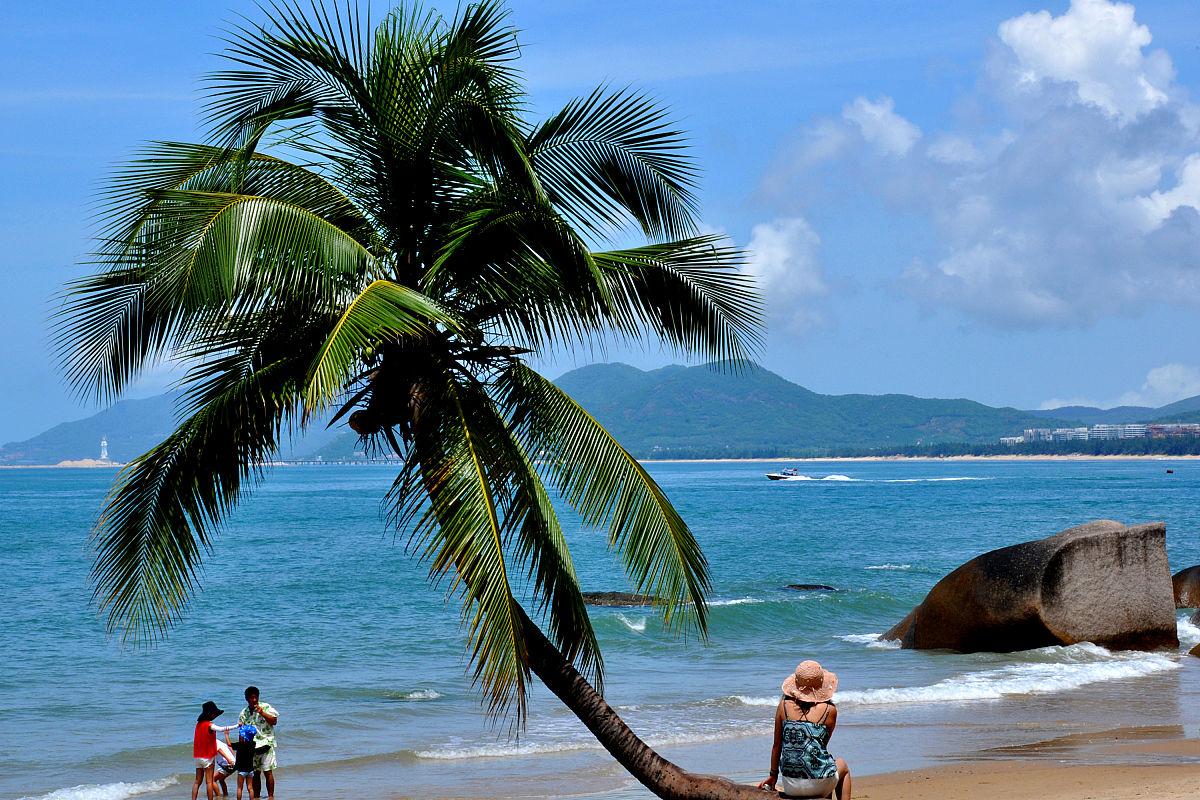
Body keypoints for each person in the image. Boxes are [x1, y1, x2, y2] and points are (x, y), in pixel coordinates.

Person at [758, 661, 852, 800]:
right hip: (819, 783)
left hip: (791, 785)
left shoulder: (783, 706)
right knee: (842, 764)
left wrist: (773, 776)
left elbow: (777, 745)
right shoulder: (829, 710)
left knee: (827, 767)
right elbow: (821, 747)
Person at [237, 686, 279, 799]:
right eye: (251, 698)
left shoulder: (265, 707)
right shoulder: (243, 713)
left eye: (256, 697)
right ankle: (256, 797)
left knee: (268, 771)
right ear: (246, 698)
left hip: (266, 744)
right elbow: (242, 732)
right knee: (255, 773)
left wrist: (262, 713)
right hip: (251, 747)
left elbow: (274, 721)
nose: (254, 700)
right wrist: (241, 750)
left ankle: (271, 797)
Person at [192, 701, 238, 800]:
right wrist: (237, 726)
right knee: (209, 782)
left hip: (198, 757)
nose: (215, 716)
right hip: (208, 758)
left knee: (197, 781)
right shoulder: (209, 725)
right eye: (214, 714)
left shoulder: (198, 725)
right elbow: (222, 729)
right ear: (210, 714)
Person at [229, 724, 259, 800]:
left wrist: (226, 735)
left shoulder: (240, 745)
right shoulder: (253, 744)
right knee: (250, 788)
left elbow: (229, 745)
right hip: (250, 770)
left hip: (242, 771)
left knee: (239, 788)